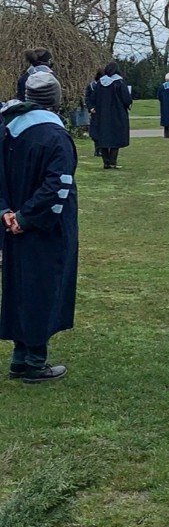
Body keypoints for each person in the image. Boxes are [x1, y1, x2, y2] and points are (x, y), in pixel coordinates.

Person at [0, 68, 78, 383]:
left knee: (19, 286)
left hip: (11, 226)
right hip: (44, 228)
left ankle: (19, 358)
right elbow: (56, 186)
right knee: (41, 288)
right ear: (55, 101)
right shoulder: (54, 136)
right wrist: (26, 217)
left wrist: (6, 211)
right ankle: (34, 361)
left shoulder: (7, 128)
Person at [88, 63, 131, 170]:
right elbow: (126, 99)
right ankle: (112, 162)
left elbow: (93, 98)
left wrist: (92, 107)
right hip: (117, 114)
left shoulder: (100, 83)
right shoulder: (120, 82)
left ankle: (106, 162)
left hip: (102, 115)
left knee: (103, 137)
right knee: (115, 137)